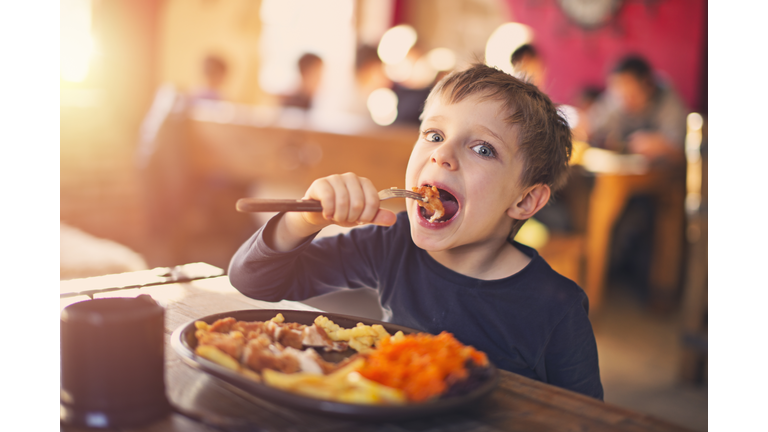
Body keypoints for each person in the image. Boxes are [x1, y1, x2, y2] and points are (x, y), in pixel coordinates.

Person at [228, 64, 604, 400]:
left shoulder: (557, 308)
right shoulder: (392, 242)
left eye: (483, 149)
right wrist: (304, 220)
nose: (442, 155)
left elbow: (588, 419)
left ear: (525, 201)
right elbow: (254, 281)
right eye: (435, 134)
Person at [587, 55, 687, 165]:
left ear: (648, 85)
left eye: (632, 96)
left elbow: (681, 147)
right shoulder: (616, 96)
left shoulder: (666, 96)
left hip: (661, 174)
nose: (625, 102)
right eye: (620, 96)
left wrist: (663, 145)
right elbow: (593, 125)